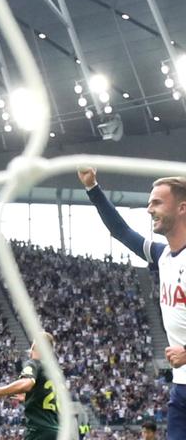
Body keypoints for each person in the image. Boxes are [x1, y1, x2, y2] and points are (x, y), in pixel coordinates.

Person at [80, 167, 186, 439]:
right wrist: (93, 187)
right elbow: (121, 231)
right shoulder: (163, 255)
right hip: (181, 386)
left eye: (157, 202)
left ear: (183, 208)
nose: (149, 209)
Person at [0, 334, 60, 440]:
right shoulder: (55, 372)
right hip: (58, 431)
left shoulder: (34, 364)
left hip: (40, 431)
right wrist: (30, 398)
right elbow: (52, 398)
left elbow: (27, 383)